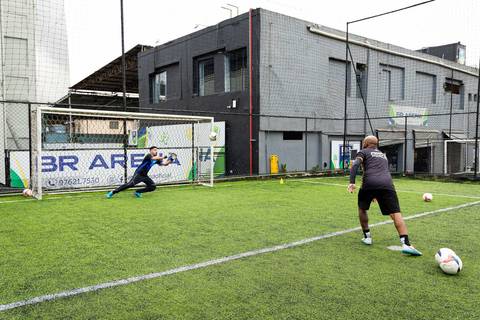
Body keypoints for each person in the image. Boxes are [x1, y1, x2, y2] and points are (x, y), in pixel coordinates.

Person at [348, 136, 422, 256]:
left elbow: (356, 165)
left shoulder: (363, 152)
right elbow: (379, 171)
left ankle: (367, 237)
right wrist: (377, 193)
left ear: (366, 143)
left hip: (369, 183)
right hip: (387, 184)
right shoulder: (383, 155)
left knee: (362, 208)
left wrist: (352, 182)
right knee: (396, 213)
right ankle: (406, 243)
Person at [106, 146, 171, 198]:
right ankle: (113, 192)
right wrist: (162, 157)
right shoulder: (148, 156)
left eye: (156, 150)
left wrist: (171, 160)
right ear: (150, 151)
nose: (155, 151)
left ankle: (138, 192)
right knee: (129, 184)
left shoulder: (157, 159)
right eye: (154, 150)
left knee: (152, 187)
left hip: (145, 175)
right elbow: (153, 158)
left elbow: (164, 164)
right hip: (138, 174)